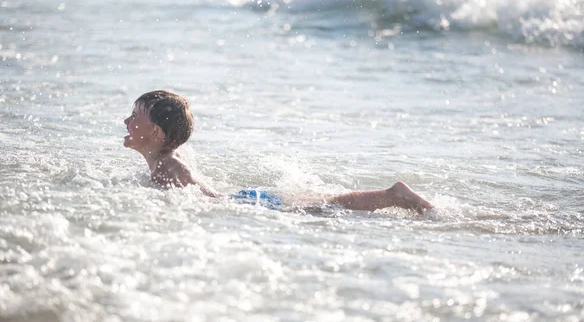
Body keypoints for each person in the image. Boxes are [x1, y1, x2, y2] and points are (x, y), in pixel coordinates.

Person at [123, 90, 433, 213]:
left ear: (156, 132)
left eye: (135, 116)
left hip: (247, 204)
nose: (127, 121)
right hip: (248, 197)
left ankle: (394, 195)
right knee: (325, 204)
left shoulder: (167, 167)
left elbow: (194, 204)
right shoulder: (169, 158)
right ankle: (392, 195)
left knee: (329, 207)